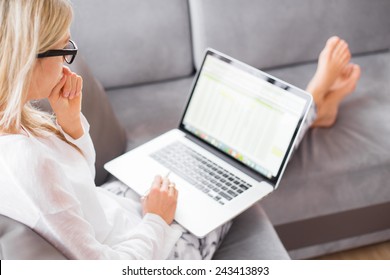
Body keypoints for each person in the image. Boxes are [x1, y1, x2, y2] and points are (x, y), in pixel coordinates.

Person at [0, 0, 360, 259]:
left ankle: (313, 110)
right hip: (158, 250)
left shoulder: (16, 123)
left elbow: (80, 180)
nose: (68, 57)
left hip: (118, 211)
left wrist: (71, 124)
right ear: (25, 59)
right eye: (64, 46)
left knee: (202, 144)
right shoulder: (27, 163)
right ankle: (312, 101)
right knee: (243, 163)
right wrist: (157, 217)